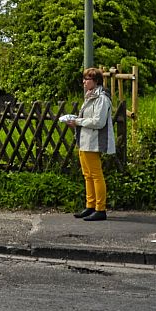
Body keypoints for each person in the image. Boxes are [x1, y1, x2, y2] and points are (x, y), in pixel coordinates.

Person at [65, 67, 116, 221]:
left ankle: (100, 209)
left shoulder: (101, 99)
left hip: (93, 141)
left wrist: (78, 121)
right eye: (84, 78)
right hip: (85, 140)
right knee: (87, 175)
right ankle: (90, 205)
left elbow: (99, 122)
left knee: (96, 175)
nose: (84, 81)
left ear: (96, 81)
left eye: (87, 79)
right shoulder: (90, 96)